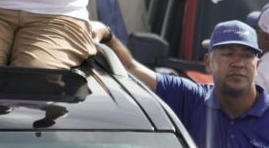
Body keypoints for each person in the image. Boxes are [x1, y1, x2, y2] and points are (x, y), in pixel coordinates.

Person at [94, 20, 269, 146]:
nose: (238, 63)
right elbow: (132, 68)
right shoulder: (192, 99)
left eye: (247, 55)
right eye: (228, 53)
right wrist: (106, 34)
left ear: (257, 64)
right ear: (208, 63)